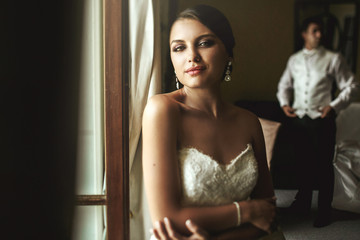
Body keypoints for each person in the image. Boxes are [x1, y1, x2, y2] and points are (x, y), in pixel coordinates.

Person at [142, 5, 283, 240]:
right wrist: (245, 211)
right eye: (179, 48)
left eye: (205, 43)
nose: (191, 56)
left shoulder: (249, 122)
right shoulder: (163, 110)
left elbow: (268, 213)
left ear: (228, 52)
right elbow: (167, 219)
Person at [277, 16, 359, 228]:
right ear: (304, 34)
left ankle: (324, 211)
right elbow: (284, 85)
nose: (319, 35)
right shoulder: (294, 60)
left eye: (321, 31)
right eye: (314, 31)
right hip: (300, 120)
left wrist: (334, 106)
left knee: (323, 166)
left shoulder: (333, 58)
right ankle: (302, 204)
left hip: (322, 120)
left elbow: (351, 85)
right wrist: (285, 103)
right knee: (302, 164)